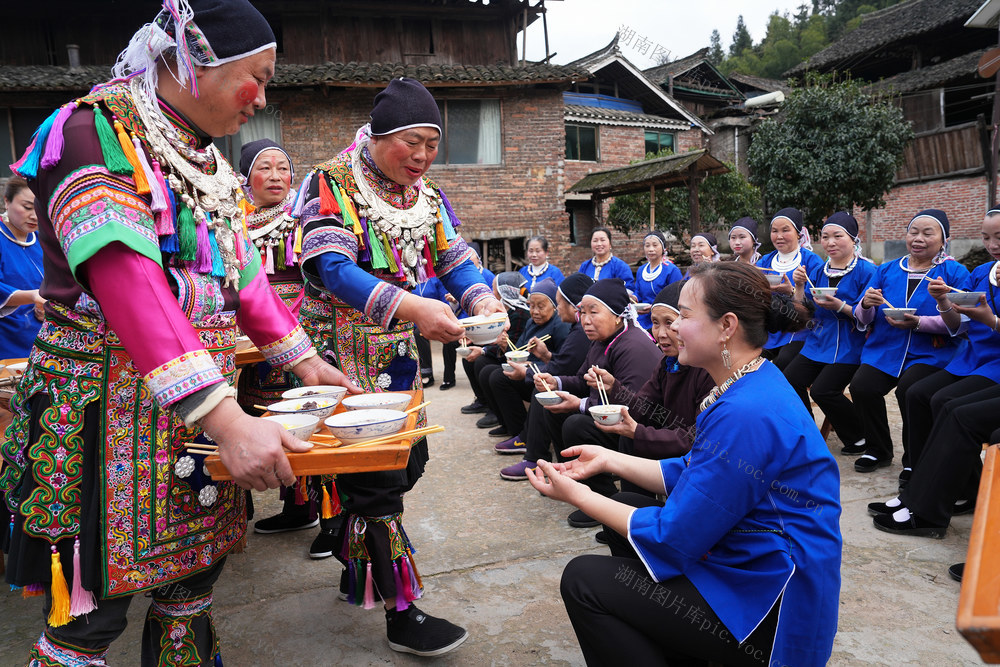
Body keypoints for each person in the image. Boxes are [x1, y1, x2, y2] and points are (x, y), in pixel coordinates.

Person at [0, 2, 359, 664]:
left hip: (188, 417)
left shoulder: (207, 162)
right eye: (256, 78)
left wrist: (309, 365)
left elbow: (243, 277)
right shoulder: (91, 132)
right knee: (86, 618)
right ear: (192, 59)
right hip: (100, 415)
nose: (263, 98)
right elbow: (128, 281)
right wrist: (227, 419)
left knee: (191, 589)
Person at [528, 261, 841, 667]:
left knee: (583, 580)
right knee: (628, 507)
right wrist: (608, 458)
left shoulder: (746, 411)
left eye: (685, 316)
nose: (673, 328)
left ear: (726, 326)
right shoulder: (748, 381)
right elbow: (694, 468)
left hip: (771, 598)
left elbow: (673, 537)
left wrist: (578, 495)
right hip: (750, 558)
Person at [297, 76, 507, 656]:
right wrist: (413, 307)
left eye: (432, 145)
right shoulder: (331, 182)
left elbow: (454, 257)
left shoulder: (426, 196)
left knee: (406, 463)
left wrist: (481, 298)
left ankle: (353, 548)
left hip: (395, 357)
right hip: (339, 356)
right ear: (378, 135)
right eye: (411, 142)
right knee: (377, 486)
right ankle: (400, 610)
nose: (422, 156)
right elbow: (332, 268)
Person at [868, 210, 1000, 534]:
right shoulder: (982, 272)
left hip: (993, 363)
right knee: (917, 394)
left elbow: (977, 325)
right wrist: (943, 302)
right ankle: (932, 487)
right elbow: (959, 326)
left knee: (946, 403)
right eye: (986, 237)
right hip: (972, 358)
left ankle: (927, 502)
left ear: (944, 240)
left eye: (999, 237)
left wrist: (991, 320)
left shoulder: (955, 269)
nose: (992, 244)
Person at [531, 278, 661, 527]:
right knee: (553, 410)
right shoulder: (602, 341)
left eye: (594, 312)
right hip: (609, 419)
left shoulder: (632, 345)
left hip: (638, 426)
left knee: (575, 424)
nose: (586, 320)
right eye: (582, 312)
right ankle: (577, 484)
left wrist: (579, 405)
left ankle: (606, 499)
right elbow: (582, 380)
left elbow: (634, 408)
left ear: (617, 316)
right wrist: (556, 382)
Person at [848, 209, 969, 476]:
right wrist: (866, 303)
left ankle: (914, 459)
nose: (918, 238)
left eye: (928, 233)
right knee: (862, 386)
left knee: (910, 390)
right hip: (886, 347)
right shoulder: (887, 269)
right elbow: (862, 316)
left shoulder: (954, 272)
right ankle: (878, 449)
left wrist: (919, 323)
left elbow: (962, 321)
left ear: (944, 240)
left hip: (931, 352)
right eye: (913, 232)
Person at [589, 280, 714, 499]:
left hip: (695, 462)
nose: (661, 333)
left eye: (670, 322)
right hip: (671, 437)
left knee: (634, 436)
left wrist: (638, 432)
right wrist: (614, 388)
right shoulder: (667, 363)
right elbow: (644, 407)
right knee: (602, 430)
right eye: (655, 323)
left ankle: (640, 507)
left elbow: (693, 439)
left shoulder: (708, 370)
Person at [783, 212, 876, 454]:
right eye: (825, 237)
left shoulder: (867, 271)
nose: (830, 242)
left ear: (853, 239)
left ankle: (859, 435)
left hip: (851, 344)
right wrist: (799, 286)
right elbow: (803, 308)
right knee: (790, 380)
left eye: (837, 236)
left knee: (823, 390)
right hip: (818, 341)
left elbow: (869, 315)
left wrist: (841, 306)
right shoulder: (818, 270)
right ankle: (808, 432)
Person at [495, 272, 592, 469]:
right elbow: (567, 363)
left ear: (575, 306)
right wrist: (546, 356)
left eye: (559, 304)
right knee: (501, 376)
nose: (557, 309)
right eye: (532, 306)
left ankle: (535, 458)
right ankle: (525, 438)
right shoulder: (577, 328)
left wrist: (529, 373)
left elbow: (564, 367)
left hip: (590, 396)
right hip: (572, 381)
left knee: (545, 392)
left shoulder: (579, 331)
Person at [480, 278, 570, 438]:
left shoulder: (560, 326)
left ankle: (521, 433)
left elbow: (563, 363)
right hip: (527, 372)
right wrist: (504, 346)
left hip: (544, 376)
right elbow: (518, 350)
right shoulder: (530, 323)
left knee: (498, 377)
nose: (535, 311)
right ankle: (506, 424)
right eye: (531, 306)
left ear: (554, 306)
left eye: (541, 306)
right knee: (487, 371)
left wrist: (533, 364)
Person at [755, 208, 824, 370]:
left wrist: (792, 291)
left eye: (785, 230)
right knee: (752, 361)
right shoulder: (765, 261)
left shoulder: (811, 261)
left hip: (800, 330)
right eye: (774, 231)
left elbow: (818, 302)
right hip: (771, 328)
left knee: (782, 362)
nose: (779, 236)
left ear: (798, 234)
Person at [461, 271, 530, 429]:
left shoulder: (519, 314)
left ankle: (496, 411)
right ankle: (484, 402)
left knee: (482, 363)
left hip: (510, 356)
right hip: (501, 351)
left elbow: (513, 345)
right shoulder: (502, 311)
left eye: (494, 289)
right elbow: (493, 337)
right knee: (471, 358)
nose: (491, 293)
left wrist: (484, 350)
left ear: (503, 291)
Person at [0, 177, 45, 358]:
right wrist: (32, 296)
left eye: (40, 208)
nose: (34, 215)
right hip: (7, 340)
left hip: (41, 338)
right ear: (6, 201)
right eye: (27, 207)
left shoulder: (43, 240)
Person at [632, 230, 681, 331]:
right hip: (643, 317)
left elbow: (676, 295)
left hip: (664, 318)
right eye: (647, 246)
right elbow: (638, 292)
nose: (651, 249)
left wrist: (655, 307)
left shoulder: (671, 270)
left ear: (663, 248)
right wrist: (634, 298)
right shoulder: (641, 270)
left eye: (655, 245)